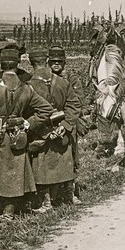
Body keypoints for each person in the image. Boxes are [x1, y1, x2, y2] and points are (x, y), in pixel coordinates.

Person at [0, 46, 54, 219]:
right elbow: (46, 109)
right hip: (16, 135)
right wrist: (26, 123)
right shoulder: (26, 88)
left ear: (1, 65)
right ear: (17, 64)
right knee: (12, 172)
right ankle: (8, 213)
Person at [27, 47, 81, 212]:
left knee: (42, 167)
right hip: (61, 131)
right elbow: (75, 105)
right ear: (46, 62)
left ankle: (47, 203)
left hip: (41, 132)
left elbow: (26, 111)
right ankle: (66, 197)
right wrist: (65, 126)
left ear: (31, 63)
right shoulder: (63, 83)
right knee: (63, 163)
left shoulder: (28, 85)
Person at [47, 45, 89, 203]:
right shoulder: (46, 78)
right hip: (50, 122)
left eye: (59, 61)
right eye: (53, 61)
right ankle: (52, 195)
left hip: (67, 121)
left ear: (64, 62)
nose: (56, 64)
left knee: (70, 157)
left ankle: (70, 193)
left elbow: (79, 101)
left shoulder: (71, 78)